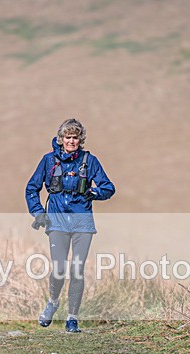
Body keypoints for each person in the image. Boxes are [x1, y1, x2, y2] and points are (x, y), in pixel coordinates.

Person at [25, 118, 116, 333]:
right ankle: (53, 302)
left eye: (75, 137)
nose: (72, 141)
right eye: (68, 137)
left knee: (77, 269)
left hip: (82, 222)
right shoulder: (48, 160)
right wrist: (38, 213)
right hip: (56, 221)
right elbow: (31, 188)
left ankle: (72, 318)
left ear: (80, 139)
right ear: (61, 139)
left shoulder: (89, 161)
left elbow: (108, 187)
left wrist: (94, 192)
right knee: (59, 269)